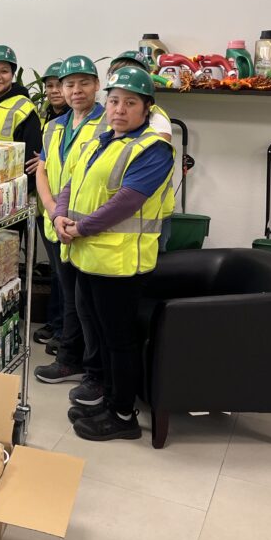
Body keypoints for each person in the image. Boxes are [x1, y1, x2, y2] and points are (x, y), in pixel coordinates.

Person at [54, 67, 175, 441]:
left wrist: (82, 227)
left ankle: (123, 416)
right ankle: (108, 400)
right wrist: (59, 214)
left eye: (130, 103)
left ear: (147, 108)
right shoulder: (100, 141)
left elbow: (127, 201)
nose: (119, 109)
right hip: (87, 258)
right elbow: (71, 184)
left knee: (119, 340)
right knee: (99, 336)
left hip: (120, 264)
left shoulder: (154, 149)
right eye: (114, 102)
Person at [33, 56, 106, 385]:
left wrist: (64, 214)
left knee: (88, 302)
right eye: (69, 84)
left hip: (88, 226)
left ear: (96, 85)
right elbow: (43, 170)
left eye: (84, 83)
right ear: (61, 89)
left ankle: (90, 367)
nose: (76, 90)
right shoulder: (54, 126)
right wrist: (50, 208)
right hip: (56, 223)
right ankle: (70, 359)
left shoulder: (108, 124)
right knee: (69, 294)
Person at [107, 50, 175, 249]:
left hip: (148, 213)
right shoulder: (110, 116)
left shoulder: (157, 120)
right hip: (114, 213)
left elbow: (149, 169)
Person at [31, 59, 69, 349]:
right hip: (47, 207)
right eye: (50, 86)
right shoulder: (48, 119)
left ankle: (64, 330)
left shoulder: (78, 120)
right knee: (57, 273)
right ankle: (57, 324)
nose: (54, 90)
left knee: (64, 275)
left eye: (59, 85)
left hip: (66, 210)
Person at [0, 44, 42, 189]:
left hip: (10, 192)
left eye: (4, 71)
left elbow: (31, 162)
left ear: (12, 75)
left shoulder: (24, 108)